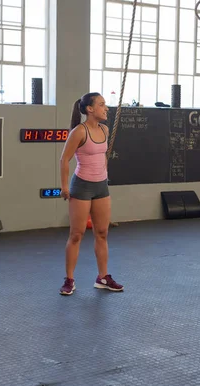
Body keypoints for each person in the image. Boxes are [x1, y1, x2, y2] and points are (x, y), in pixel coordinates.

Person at [58, 92, 123, 295]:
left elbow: (102, 157)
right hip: (82, 186)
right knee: (76, 235)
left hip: (101, 187)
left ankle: (103, 277)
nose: (106, 108)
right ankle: (69, 280)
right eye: (102, 105)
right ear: (90, 109)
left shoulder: (104, 129)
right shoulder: (79, 131)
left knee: (102, 233)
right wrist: (64, 187)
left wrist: (104, 174)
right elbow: (64, 160)